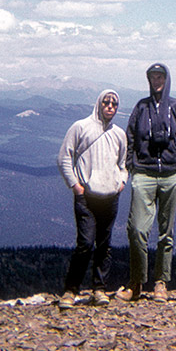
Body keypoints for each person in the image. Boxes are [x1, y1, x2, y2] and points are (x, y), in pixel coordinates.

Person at [117, 63, 176, 302]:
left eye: (160, 76)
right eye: (153, 77)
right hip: (144, 174)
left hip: (171, 175)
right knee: (137, 229)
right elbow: (129, 136)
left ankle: (161, 282)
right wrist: (131, 166)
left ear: (166, 79)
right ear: (148, 80)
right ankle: (136, 282)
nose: (156, 80)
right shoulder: (141, 107)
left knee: (165, 233)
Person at [56, 89, 127, 309]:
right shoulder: (80, 127)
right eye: (106, 102)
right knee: (85, 244)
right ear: (98, 104)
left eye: (114, 104)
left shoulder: (119, 134)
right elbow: (64, 158)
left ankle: (99, 289)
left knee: (104, 245)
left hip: (110, 197)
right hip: (86, 196)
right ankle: (70, 290)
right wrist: (75, 186)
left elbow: (123, 164)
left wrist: (121, 182)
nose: (110, 107)